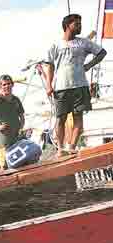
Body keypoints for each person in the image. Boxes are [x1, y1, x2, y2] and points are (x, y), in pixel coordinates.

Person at [43, 14, 107, 156]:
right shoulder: (56, 45)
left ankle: (71, 147)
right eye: (76, 24)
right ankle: (60, 149)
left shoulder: (84, 43)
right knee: (60, 119)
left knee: (79, 118)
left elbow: (102, 52)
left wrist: (89, 65)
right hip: (61, 87)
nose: (79, 26)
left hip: (80, 86)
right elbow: (50, 66)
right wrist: (49, 85)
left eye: (80, 24)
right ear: (67, 26)